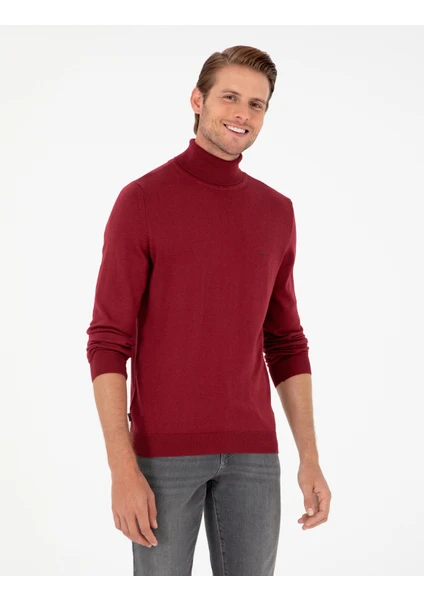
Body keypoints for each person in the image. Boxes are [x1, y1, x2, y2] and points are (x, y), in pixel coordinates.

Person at [85, 44, 331, 576]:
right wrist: (122, 467)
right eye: (230, 97)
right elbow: (107, 341)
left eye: (257, 104)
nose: (243, 113)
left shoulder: (277, 211)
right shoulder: (142, 200)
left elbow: (286, 342)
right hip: (161, 457)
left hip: (255, 456)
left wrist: (309, 458)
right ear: (197, 100)